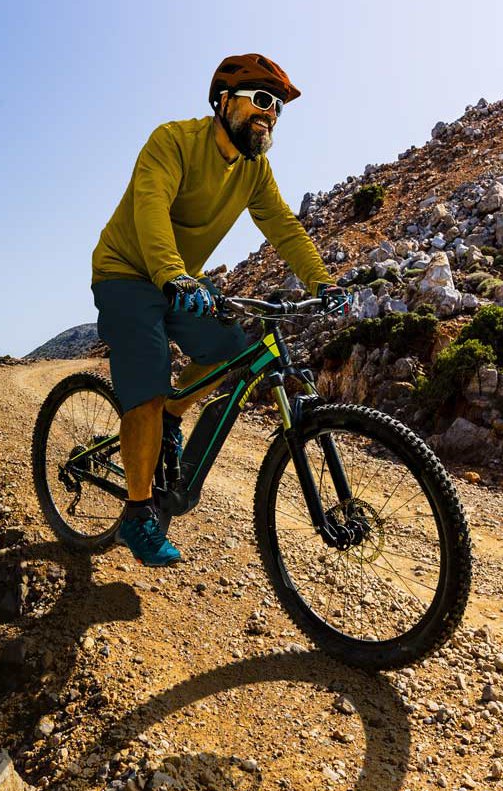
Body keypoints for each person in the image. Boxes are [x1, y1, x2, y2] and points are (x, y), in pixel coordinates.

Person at [89, 53, 348, 566]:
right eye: (260, 99)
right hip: (128, 271)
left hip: (178, 280)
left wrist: (324, 281)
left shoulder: (255, 169)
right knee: (147, 375)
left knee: (235, 346)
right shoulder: (173, 141)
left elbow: (284, 227)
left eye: (276, 107)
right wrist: (172, 273)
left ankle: (172, 413)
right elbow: (151, 206)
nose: (269, 113)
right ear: (224, 101)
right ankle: (136, 513)